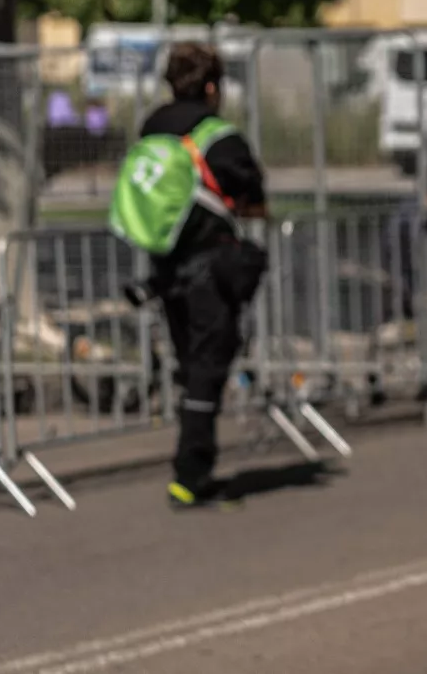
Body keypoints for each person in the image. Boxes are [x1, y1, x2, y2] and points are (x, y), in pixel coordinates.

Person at [139, 44, 268, 509]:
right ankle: (190, 474)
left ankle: (194, 464)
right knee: (207, 369)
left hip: (165, 265)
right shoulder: (217, 136)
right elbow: (253, 196)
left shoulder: (151, 129)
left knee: (188, 364)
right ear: (213, 87)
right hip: (209, 268)